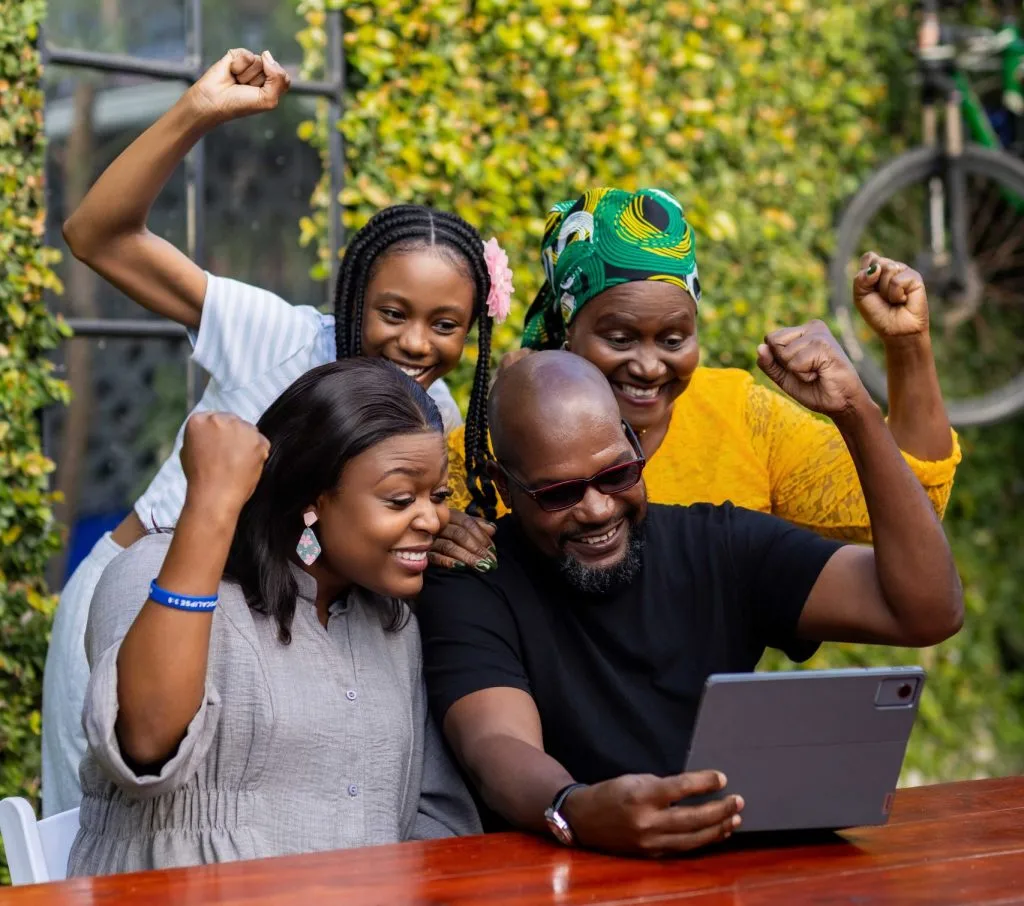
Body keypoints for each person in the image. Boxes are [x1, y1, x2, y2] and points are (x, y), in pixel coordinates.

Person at [43, 48, 513, 815]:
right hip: (143, 596)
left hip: (270, 638)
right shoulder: (277, 335)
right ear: (355, 293)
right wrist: (199, 110)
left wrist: (445, 533)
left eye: (446, 325)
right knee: (112, 832)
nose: (416, 345)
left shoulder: (439, 419)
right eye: (392, 312)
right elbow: (97, 235)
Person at [416, 348, 963, 857]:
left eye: (617, 474)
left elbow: (926, 609)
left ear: (635, 443)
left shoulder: (721, 544)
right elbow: (495, 742)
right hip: (573, 875)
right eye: (558, 493)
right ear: (503, 488)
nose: (597, 509)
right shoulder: (474, 577)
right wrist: (572, 807)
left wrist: (857, 415)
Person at [67, 358, 480, 876]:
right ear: (313, 499)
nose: (433, 518)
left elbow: (435, 818)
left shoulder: (394, 624)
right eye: (400, 499)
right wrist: (213, 501)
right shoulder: (152, 572)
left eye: (438, 496)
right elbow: (146, 740)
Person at [434, 187, 960, 571]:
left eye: (673, 339)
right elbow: (408, 531)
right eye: (618, 339)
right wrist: (440, 536)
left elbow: (913, 502)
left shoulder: (742, 418)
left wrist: (908, 345)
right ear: (568, 330)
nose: (648, 365)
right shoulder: (498, 442)